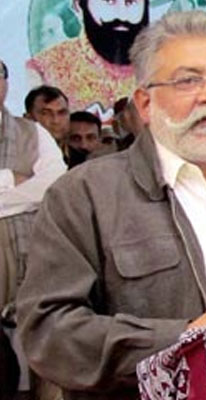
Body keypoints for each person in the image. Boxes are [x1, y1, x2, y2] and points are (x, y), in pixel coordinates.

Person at [16, 12, 206, 399]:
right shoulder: (85, 194)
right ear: (145, 104)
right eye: (188, 80)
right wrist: (182, 341)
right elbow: (47, 331)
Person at [0, 59, 67, 400]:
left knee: (36, 343)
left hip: (29, 256)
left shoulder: (33, 133)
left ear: (6, 84)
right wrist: (12, 180)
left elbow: (50, 187)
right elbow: (31, 191)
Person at [26, 0, 150, 111]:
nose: (122, 16)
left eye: (131, 2)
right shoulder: (44, 69)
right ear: (78, 6)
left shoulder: (160, 63)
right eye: (109, 1)